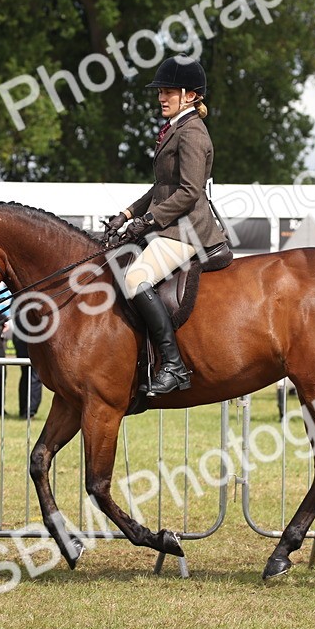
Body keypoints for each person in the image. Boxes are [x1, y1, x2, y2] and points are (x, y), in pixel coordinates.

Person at [104, 55, 227, 396]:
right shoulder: (176, 129)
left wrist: (147, 221)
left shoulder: (192, 134)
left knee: (135, 278)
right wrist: (127, 215)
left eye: (169, 91)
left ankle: (173, 365)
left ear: (190, 95)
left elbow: (189, 192)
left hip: (188, 231)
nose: (162, 97)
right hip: (171, 226)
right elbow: (161, 188)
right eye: (160, 91)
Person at [11, 312, 43, 420]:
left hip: (20, 341)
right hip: (29, 343)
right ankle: (30, 411)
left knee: (25, 376)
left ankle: (24, 409)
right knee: (34, 377)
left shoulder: (18, 303)